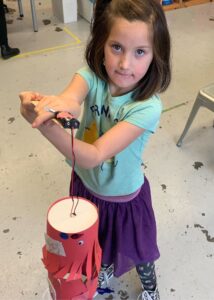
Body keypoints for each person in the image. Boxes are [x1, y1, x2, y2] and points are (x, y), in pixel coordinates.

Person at [19, 0, 171, 299]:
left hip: (124, 199)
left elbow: (96, 154)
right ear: (101, 43)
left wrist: (46, 127)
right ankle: (102, 273)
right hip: (86, 188)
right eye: (116, 47)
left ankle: (151, 288)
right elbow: (71, 100)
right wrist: (50, 106)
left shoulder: (147, 108)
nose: (125, 64)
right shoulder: (90, 75)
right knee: (96, 242)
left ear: (156, 56)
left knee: (139, 253)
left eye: (140, 51)